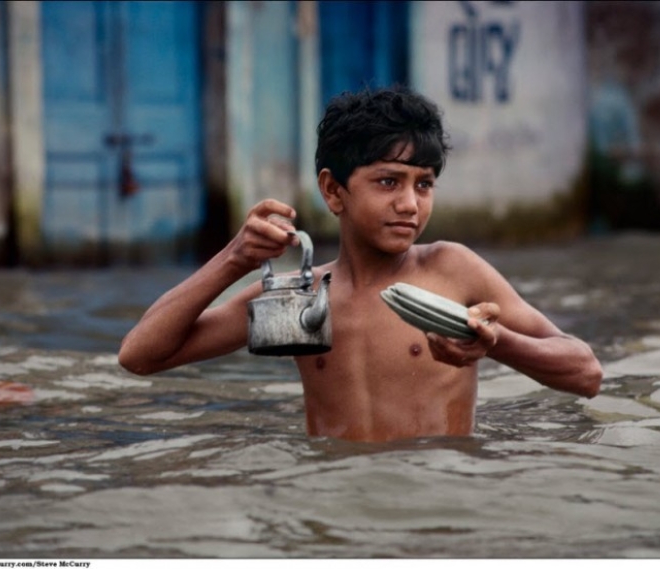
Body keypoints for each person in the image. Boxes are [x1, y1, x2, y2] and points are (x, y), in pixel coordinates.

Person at [119, 86, 603, 442]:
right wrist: (232, 260)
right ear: (333, 191)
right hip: (334, 504)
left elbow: (586, 373)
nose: (411, 204)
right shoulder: (302, 297)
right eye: (389, 182)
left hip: (440, 503)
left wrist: (494, 344)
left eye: (425, 184)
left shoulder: (452, 270)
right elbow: (140, 356)